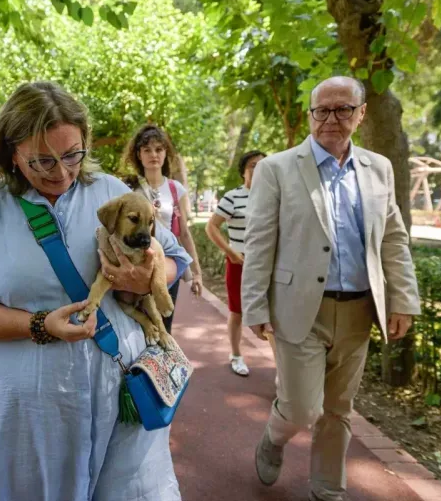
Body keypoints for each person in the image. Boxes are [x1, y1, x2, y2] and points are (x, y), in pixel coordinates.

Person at [0, 81, 190, 501]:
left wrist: (150, 275)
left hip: (123, 391)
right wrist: (39, 324)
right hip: (32, 407)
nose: (62, 172)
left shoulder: (111, 191)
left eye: (72, 154)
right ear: (12, 152)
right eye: (42, 161)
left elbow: (172, 258)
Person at [242, 76, 421, 501]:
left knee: (339, 408)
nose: (330, 119)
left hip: (359, 311)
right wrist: (255, 306)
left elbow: (393, 237)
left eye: (343, 109)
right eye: (321, 110)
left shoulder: (379, 168)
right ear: (310, 115)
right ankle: (275, 434)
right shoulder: (276, 168)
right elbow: (260, 240)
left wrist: (403, 298)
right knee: (304, 407)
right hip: (299, 308)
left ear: (360, 114)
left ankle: (327, 489)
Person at [122, 124, 202, 333]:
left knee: (163, 323)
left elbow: (184, 233)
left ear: (166, 153)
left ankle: (162, 365)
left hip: (167, 264)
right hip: (136, 261)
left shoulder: (176, 189)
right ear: (138, 154)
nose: (153, 155)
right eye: (147, 150)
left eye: (158, 149)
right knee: (133, 322)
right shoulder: (129, 187)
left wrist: (196, 273)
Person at [205, 150, 265, 376]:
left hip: (267, 266)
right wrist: (229, 251)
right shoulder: (233, 197)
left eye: (262, 165)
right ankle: (236, 355)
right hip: (239, 263)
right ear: (243, 171)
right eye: (252, 165)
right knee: (237, 312)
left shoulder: (275, 195)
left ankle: (282, 366)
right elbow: (211, 227)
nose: (258, 169)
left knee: (273, 313)